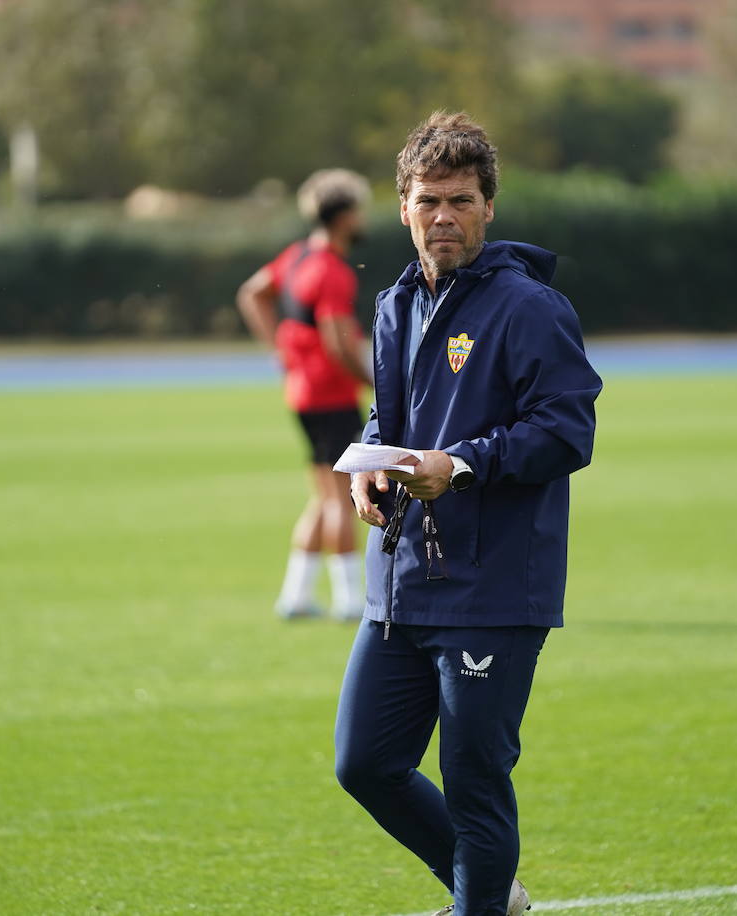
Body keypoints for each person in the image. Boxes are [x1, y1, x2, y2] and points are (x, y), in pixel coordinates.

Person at [335, 112, 601, 916]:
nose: (443, 216)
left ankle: (477, 903)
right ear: (404, 208)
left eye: (460, 200)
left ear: (488, 206)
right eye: (428, 201)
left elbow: (567, 429)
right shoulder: (394, 305)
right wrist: (370, 465)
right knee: (365, 762)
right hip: (403, 580)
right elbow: (391, 419)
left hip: (494, 584)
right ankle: (488, 893)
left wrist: (460, 464)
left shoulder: (529, 307)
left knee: (474, 780)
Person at [236, 169, 374, 619]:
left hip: (302, 392)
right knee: (342, 497)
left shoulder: (296, 256)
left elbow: (253, 293)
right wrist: (376, 383)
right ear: (346, 216)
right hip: (331, 395)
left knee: (324, 493)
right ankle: (350, 600)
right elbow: (338, 343)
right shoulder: (333, 270)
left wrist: (280, 348)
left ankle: (295, 595)